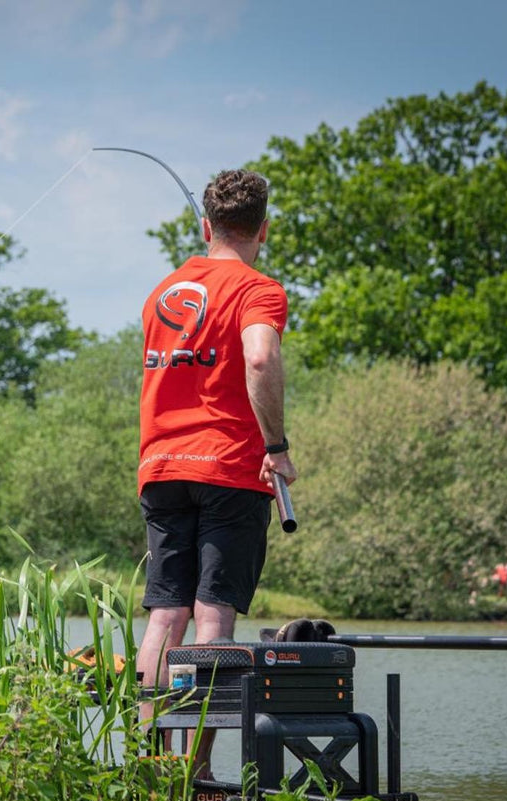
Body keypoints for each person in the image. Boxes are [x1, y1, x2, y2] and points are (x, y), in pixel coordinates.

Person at [134, 169, 297, 766]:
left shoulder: (162, 292)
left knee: (165, 613)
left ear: (205, 226)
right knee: (213, 615)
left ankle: (152, 764)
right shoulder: (260, 289)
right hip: (228, 468)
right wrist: (275, 446)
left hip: (161, 466)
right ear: (264, 229)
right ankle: (198, 771)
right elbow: (259, 356)